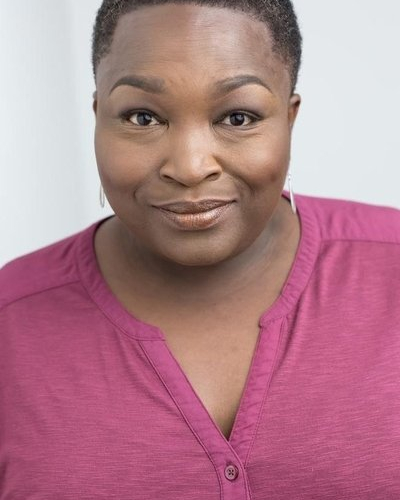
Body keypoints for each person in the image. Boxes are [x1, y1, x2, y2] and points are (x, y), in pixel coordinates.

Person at [1, 1, 400, 498]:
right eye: (142, 117)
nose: (190, 167)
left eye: (237, 116)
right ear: (99, 116)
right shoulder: (11, 321)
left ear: (289, 118)